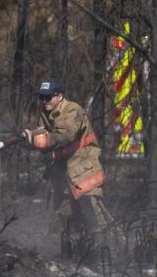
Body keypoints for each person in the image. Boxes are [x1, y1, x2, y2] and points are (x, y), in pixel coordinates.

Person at [20, 78, 111, 246]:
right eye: (42, 97)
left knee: (90, 210)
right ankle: (74, 253)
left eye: (48, 97)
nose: (44, 101)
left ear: (59, 96)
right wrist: (27, 138)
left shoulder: (72, 110)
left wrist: (37, 141)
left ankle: (108, 249)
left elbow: (63, 136)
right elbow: (43, 134)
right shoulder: (46, 114)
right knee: (65, 214)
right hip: (63, 173)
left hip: (82, 168)